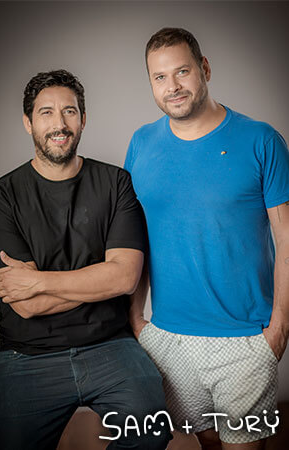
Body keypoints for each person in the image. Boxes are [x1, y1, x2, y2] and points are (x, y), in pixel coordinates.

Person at [0, 69, 172, 450]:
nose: (60, 124)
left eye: (70, 111)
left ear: (83, 119)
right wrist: (100, 279)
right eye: (46, 113)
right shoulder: (0, 197)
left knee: (151, 430)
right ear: (28, 122)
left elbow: (125, 279)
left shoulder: (116, 183)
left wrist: (39, 279)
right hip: (26, 355)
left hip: (109, 344)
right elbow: (27, 306)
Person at [124, 27, 289, 450]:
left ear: (205, 68)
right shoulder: (141, 144)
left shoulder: (261, 140)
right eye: (159, 77)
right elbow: (133, 235)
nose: (172, 86)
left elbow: (286, 237)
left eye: (182, 71)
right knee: (209, 446)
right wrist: (137, 321)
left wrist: (279, 329)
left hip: (245, 338)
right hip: (168, 338)